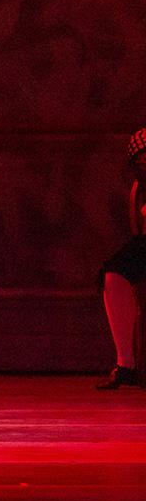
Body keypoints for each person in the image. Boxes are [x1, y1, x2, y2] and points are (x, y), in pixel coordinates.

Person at [96, 127, 146, 389]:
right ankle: (126, 363)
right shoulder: (139, 190)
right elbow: (138, 234)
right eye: (140, 160)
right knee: (113, 274)